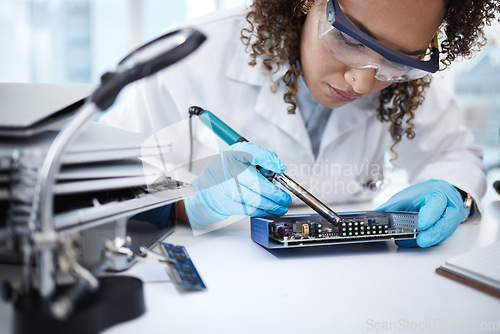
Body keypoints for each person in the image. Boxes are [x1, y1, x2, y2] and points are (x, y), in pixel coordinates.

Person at [100, 0, 499, 247]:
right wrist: (186, 205)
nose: (363, 82)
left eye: (399, 60)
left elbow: (452, 152)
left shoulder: (403, 86)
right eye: (353, 40)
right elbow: (104, 189)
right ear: (305, 3)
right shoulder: (192, 57)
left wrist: (455, 193)